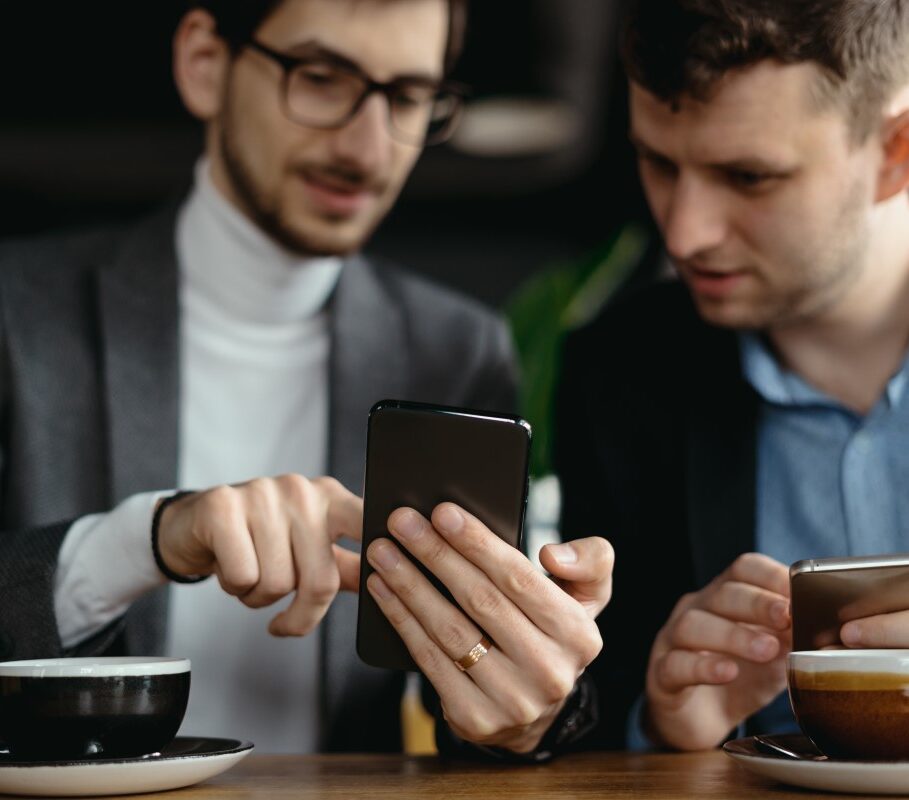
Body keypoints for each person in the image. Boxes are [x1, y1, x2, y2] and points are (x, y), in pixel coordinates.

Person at [0, 0, 612, 757]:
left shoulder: (457, 349)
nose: (366, 147)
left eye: (409, 97)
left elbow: (461, 703)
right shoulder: (15, 313)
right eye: (322, 78)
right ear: (204, 64)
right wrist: (144, 540)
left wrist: (530, 703)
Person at [555, 0, 909, 751]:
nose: (683, 233)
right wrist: (664, 726)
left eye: (747, 177)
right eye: (657, 162)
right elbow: (593, 719)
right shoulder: (618, 378)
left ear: (895, 151)